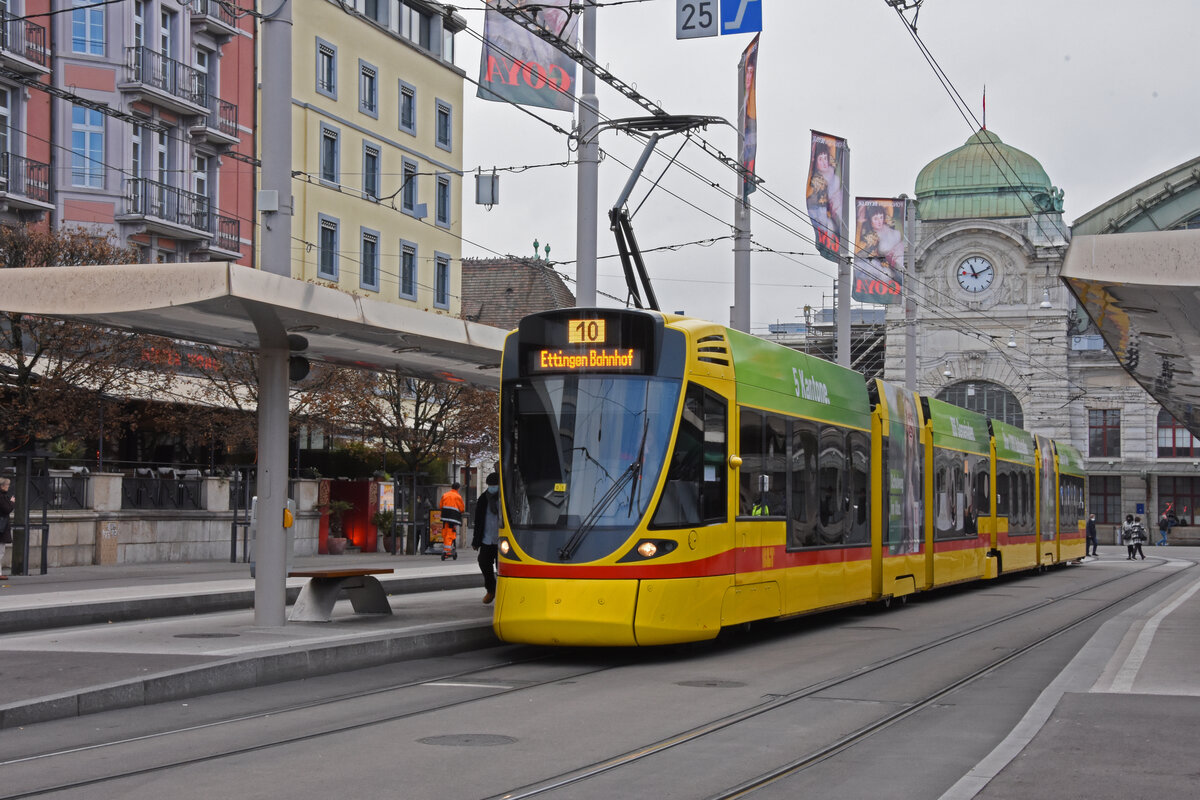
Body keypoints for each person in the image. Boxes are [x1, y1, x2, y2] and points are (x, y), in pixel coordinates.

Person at [472, 472, 501, 605]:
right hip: (487, 539)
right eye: (490, 485)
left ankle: (503, 591)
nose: (492, 488)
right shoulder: (483, 499)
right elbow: (478, 521)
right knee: (484, 562)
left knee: (501, 567)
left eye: (494, 485)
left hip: (503, 539)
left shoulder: (506, 498)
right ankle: (491, 589)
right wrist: (476, 541)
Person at [806, 143, 843, 245]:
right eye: (820, 159)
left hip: (836, 217)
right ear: (815, 162)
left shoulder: (835, 179)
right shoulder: (815, 182)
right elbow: (812, 202)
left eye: (825, 158)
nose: (824, 162)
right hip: (821, 215)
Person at [438, 482, 465, 561]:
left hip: (444, 517)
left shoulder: (445, 495)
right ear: (458, 488)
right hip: (453, 518)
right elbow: (462, 509)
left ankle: (446, 549)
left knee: (445, 533)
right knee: (450, 534)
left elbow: (440, 506)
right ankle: (447, 551)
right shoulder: (458, 497)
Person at [0, 477, 14, 580]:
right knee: (0, 551)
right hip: (1, 527)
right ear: (2, 486)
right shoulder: (1, 497)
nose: (8, 487)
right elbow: (7, 509)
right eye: (7, 485)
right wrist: (12, 502)